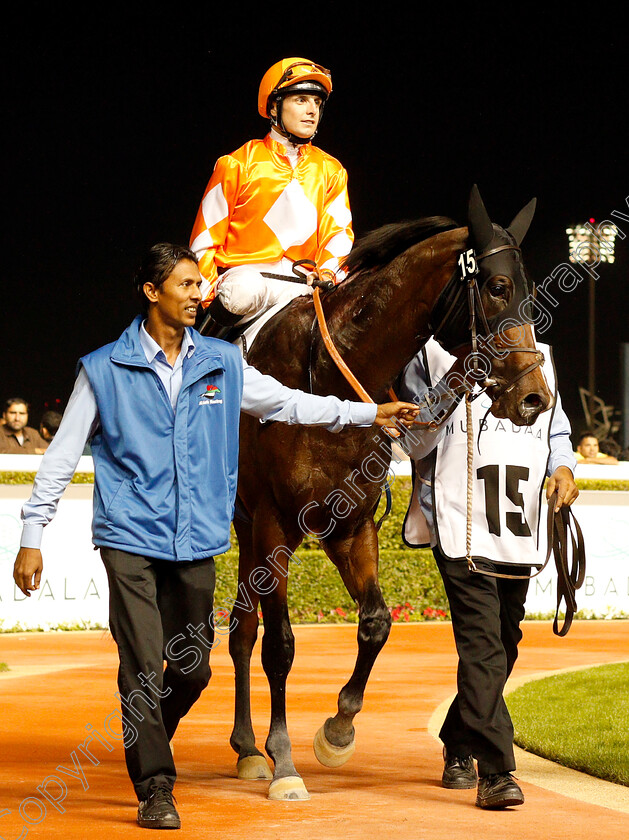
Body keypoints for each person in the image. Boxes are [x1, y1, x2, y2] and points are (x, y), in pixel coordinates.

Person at [13, 243, 418, 831]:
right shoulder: (102, 368)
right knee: (142, 666)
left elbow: (286, 403)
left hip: (195, 539)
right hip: (129, 537)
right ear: (152, 292)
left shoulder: (222, 363)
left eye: (200, 284)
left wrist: (365, 415)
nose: (199, 295)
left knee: (195, 668)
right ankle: (155, 784)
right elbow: (61, 455)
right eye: (184, 284)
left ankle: (147, 731)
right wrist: (32, 532)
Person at [398, 338, 578, 810]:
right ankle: (496, 772)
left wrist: (563, 467)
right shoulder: (430, 353)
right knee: (483, 645)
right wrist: (456, 380)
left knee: (504, 643)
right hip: (458, 524)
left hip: (515, 530)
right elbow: (412, 440)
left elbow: (556, 429)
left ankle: (458, 740)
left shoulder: (538, 352)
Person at [189, 57, 353, 335]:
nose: (312, 110)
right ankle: (199, 362)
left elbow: (337, 234)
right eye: (301, 100)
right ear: (274, 106)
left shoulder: (332, 170)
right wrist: (207, 295)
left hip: (305, 285)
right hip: (246, 282)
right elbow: (203, 242)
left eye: (317, 102)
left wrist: (327, 274)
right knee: (242, 291)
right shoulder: (237, 164)